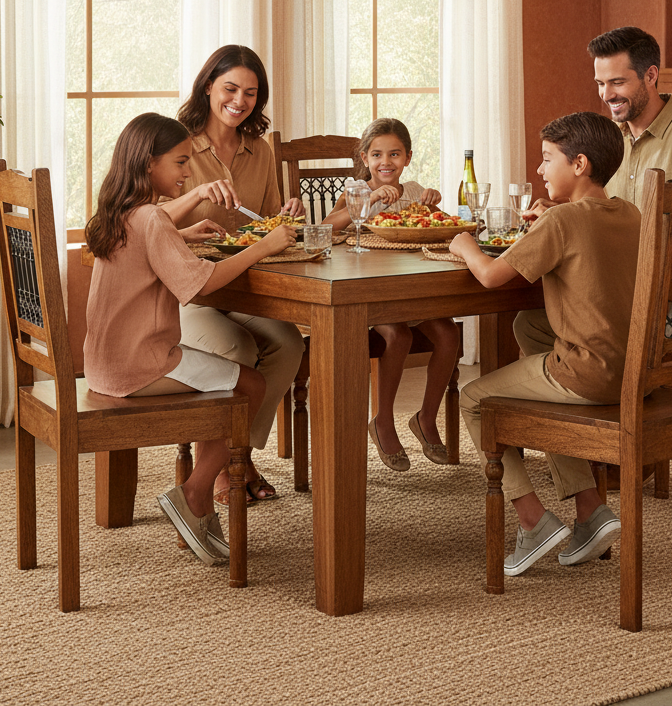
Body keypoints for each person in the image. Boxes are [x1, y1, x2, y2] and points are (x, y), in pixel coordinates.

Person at [83, 113, 297, 565]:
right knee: (251, 384)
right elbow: (200, 286)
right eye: (180, 163)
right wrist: (265, 246)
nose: (186, 172)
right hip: (141, 364)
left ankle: (198, 491)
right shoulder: (153, 218)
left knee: (237, 377)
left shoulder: (124, 213)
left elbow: (144, 248)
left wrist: (180, 235)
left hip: (104, 361)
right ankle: (194, 494)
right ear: (148, 163)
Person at [449, 112, 641, 575]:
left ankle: (533, 522)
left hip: (589, 374)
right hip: (634, 369)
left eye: (547, 159)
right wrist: (553, 219)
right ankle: (590, 510)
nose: (539, 170)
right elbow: (581, 234)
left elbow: (493, 276)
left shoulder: (561, 223)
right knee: (530, 328)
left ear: (579, 164)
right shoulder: (628, 211)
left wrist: (465, 246)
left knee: (475, 398)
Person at [515, 26, 672, 364]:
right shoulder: (608, 141)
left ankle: (610, 395)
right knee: (529, 323)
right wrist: (563, 211)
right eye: (600, 84)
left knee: (543, 316)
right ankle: (595, 399)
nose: (606, 95)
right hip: (617, 290)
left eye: (617, 83)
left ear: (651, 75)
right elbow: (600, 211)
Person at [165, 44, 307, 507]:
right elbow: (138, 221)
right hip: (185, 293)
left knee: (288, 343)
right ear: (208, 86)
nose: (239, 100)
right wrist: (195, 197)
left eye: (250, 92)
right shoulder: (176, 145)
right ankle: (229, 464)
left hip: (242, 288)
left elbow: (264, 222)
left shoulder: (259, 150)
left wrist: (284, 215)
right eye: (230, 88)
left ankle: (234, 456)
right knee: (237, 348)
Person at [324, 118, 460, 472]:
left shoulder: (412, 190)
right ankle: (382, 420)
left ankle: (426, 418)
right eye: (378, 154)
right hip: (368, 293)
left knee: (449, 334)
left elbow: (436, 227)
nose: (387, 162)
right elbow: (325, 226)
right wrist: (367, 199)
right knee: (398, 335)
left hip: (411, 291)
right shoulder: (356, 191)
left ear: (408, 157)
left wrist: (432, 204)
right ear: (365, 158)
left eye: (395, 154)